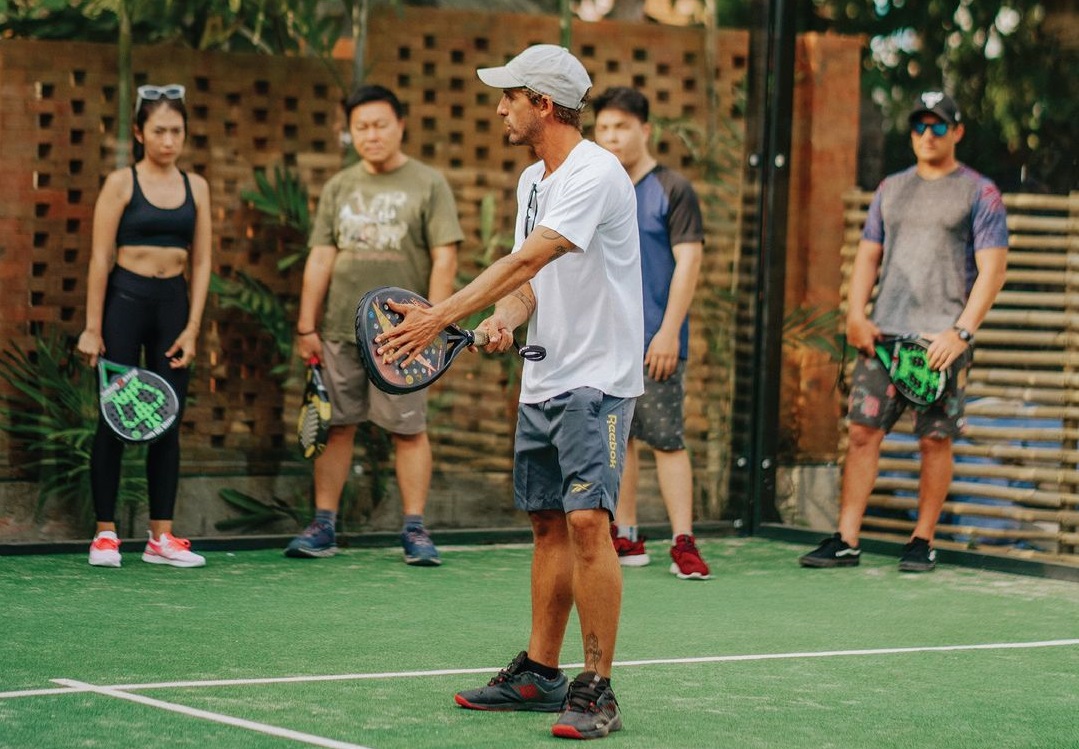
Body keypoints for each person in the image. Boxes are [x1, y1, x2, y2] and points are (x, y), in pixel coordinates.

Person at [375, 45, 642, 741]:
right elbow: (530, 284)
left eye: (509, 96)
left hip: (599, 381)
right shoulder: (532, 180)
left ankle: (596, 686)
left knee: (589, 522)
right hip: (544, 377)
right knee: (548, 522)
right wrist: (500, 317)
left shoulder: (596, 173)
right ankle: (540, 672)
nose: (499, 108)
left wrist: (441, 314)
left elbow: (529, 255)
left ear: (543, 104)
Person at [799, 91, 1008, 573]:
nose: (927, 136)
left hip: (939, 342)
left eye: (939, 127)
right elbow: (869, 255)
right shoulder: (891, 188)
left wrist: (961, 333)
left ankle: (922, 540)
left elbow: (993, 270)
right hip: (883, 337)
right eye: (920, 127)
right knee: (860, 434)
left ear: (957, 132)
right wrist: (855, 313)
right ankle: (847, 539)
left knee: (935, 440)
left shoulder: (981, 192)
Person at [287, 84, 463, 565]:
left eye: (380, 124)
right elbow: (321, 257)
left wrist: (433, 325)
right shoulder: (340, 186)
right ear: (349, 132)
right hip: (340, 331)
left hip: (403, 335)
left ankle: (415, 529)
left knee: (407, 430)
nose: (371, 134)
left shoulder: (428, 184)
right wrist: (307, 326)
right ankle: (323, 526)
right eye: (361, 126)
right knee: (336, 425)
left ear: (400, 124)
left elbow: (444, 258)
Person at [77, 83, 212, 569]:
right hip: (125, 301)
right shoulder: (120, 184)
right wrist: (93, 327)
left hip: (173, 305)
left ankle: (161, 537)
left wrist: (193, 327)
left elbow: (201, 263)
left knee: (168, 420)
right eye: (159, 130)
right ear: (139, 132)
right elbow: (98, 258)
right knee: (115, 417)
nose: (169, 140)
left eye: (177, 130)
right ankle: (106, 534)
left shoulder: (197, 187)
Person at [592, 86, 711, 580]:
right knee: (619, 441)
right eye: (602, 128)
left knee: (666, 440)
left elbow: (690, 262)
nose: (611, 137)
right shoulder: (596, 187)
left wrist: (667, 332)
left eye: (621, 127)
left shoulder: (673, 188)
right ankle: (626, 535)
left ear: (645, 130)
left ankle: (683, 542)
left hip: (657, 341)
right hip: (606, 341)